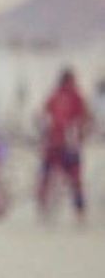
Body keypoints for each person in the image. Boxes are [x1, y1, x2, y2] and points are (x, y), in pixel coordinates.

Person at [38, 68, 91, 221]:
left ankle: (77, 211)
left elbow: (84, 119)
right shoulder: (65, 97)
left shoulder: (68, 97)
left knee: (71, 179)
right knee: (63, 178)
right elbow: (44, 116)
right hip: (59, 144)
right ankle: (46, 206)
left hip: (62, 144)